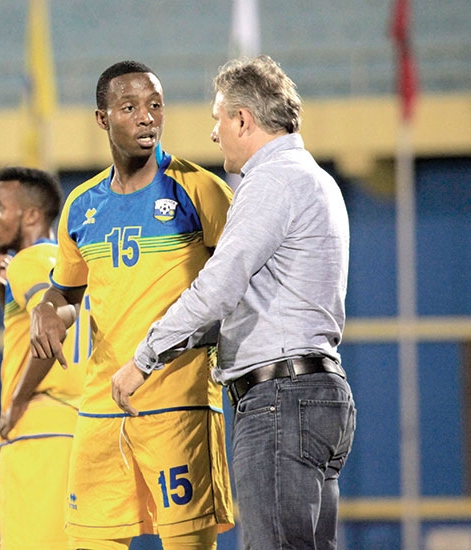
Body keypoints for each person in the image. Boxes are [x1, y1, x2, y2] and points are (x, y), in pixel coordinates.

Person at [112, 55, 357, 550]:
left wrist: (144, 357)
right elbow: (249, 300)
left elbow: (218, 286)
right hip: (317, 394)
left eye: (217, 119)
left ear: (243, 119)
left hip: (280, 400)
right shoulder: (315, 178)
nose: (213, 134)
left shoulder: (271, 181)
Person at [30, 60, 235, 549]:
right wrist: (47, 307)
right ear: (102, 119)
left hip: (178, 404)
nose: (147, 118)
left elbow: (241, 284)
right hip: (100, 405)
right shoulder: (81, 205)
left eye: (155, 106)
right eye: (130, 107)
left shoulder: (200, 190)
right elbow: (68, 295)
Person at [0, 166, 87, 549]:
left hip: (38, 428)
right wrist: (2, 294)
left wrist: (17, 401)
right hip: (76, 427)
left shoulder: (27, 262)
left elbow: (54, 320)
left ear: (30, 215)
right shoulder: (69, 266)